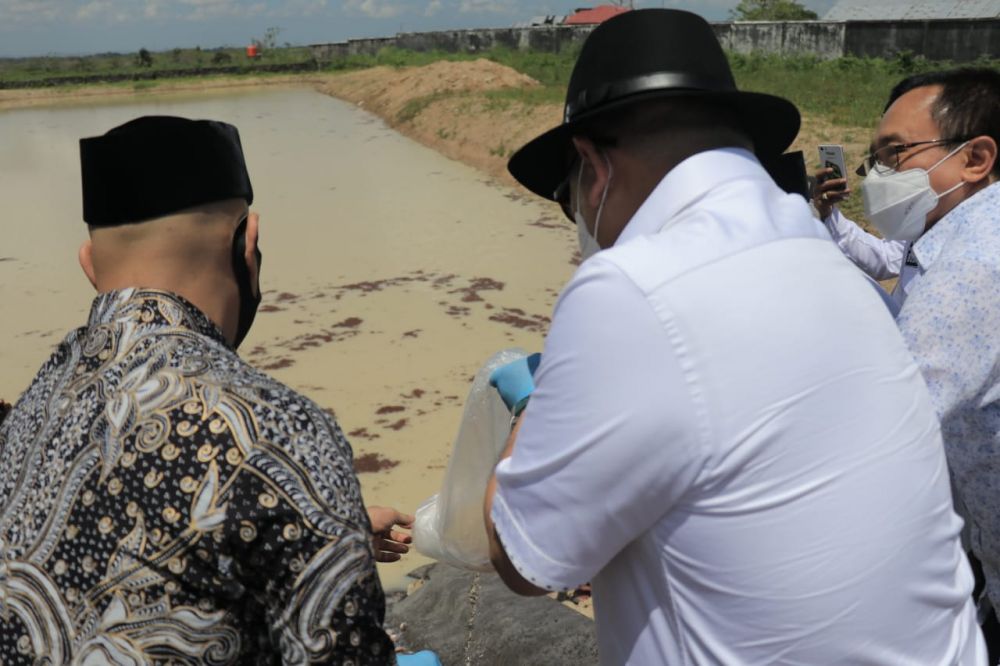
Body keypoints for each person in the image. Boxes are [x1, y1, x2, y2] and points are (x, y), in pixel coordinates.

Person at [482, 10, 984, 664]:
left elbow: (525, 559)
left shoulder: (630, 287)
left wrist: (533, 405)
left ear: (592, 167)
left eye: (566, 196)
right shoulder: (821, 252)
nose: (580, 219)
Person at [0, 116, 410, 664]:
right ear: (249, 243)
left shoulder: (28, 411)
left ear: (90, 266)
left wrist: (332, 518)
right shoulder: (275, 429)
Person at [856, 67, 1000, 652]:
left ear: (976, 158)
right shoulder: (959, 239)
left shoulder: (974, 261)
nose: (878, 175)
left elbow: (886, 424)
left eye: (897, 152)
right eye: (874, 158)